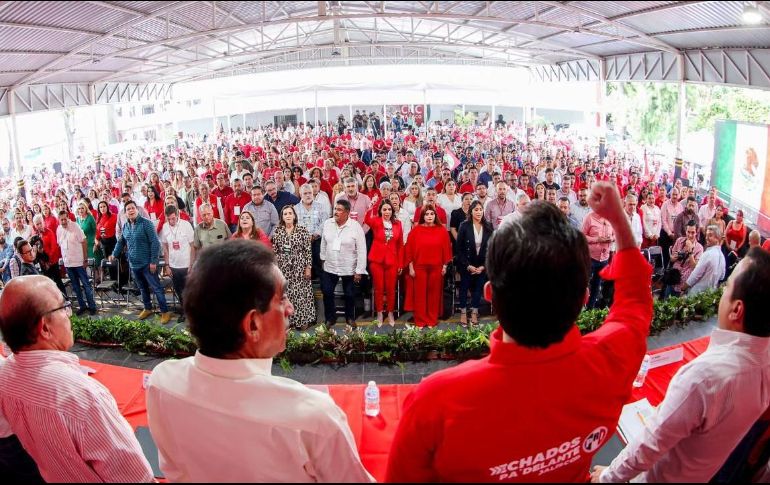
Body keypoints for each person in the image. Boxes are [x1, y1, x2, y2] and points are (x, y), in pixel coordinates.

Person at [386, 183, 652, 482]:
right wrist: (618, 219)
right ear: (584, 298)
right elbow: (636, 304)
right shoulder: (610, 361)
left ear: (490, 294)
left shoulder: (437, 402)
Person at [146, 240, 373, 482]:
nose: (290, 308)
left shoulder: (162, 382)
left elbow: (173, 469)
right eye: (282, 297)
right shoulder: (313, 418)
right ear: (253, 324)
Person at [592, 248, 770, 483]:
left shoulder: (705, 376)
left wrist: (606, 477)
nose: (723, 292)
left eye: (727, 287)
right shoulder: (764, 363)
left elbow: (649, 445)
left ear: (737, 310)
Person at [0, 275, 154, 482]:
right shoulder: (82, 396)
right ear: (44, 328)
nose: (68, 315)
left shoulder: (5, 375)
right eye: (63, 307)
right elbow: (136, 478)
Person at [111, 201, 172, 325]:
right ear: (125, 213)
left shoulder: (146, 223)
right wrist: (114, 254)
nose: (131, 210)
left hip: (148, 264)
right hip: (134, 264)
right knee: (143, 288)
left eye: (133, 208)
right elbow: (121, 242)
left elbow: (155, 243)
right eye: (128, 209)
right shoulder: (126, 226)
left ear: (137, 209)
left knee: (157, 288)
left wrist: (153, 261)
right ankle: (148, 308)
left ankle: (165, 311)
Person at [319, 199, 367, 327]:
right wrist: (323, 258)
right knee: (327, 292)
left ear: (347, 213)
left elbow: (362, 250)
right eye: (335, 209)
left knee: (350, 294)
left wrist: (359, 270)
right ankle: (330, 318)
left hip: (349, 267)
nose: (335, 212)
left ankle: (350, 318)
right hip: (330, 265)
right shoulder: (328, 223)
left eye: (339, 210)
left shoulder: (355, 227)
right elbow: (323, 242)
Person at [404, 205, 452, 328]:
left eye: (432, 214)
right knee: (420, 295)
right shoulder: (415, 230)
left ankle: (431, 320)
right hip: (419, 267)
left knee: (434, 295)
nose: (429, 216)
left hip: (436, 267)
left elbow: (447, 249)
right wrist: (411, 267)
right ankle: (420, 320)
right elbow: (409, 250)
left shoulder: (441, 230)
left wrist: (444, 266)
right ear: (422, 216)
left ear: (435, 216)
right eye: (427, 214)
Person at [271, 205, 316, 330]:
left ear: (294, 216)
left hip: (300, 267)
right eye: (285, 214)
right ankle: (289, 321)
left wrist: (308, 267)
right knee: (287, 295)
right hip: (283, 268)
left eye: (290, 213)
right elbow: (275, 251)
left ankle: (303, 320)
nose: (288, 216)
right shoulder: (278, 231)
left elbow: (307, 251)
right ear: (282, 217)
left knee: (301, 295)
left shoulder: (302, 230)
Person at [364, 199, 404, 327]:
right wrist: (372, 206)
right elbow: (366, 219)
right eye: (384, 209)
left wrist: (400, 264)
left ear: (393, 211)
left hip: (392, 261)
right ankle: (380, 313)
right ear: (381, 211)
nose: (387, 212)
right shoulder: (376, 221)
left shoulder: (398, 224)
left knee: (391, 289)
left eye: (389, 209)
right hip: (377, 260)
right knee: (379, 288)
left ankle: (390, 312)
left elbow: (400, 246)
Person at [455, 200, 493, 327]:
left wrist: (483, 266)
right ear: (471, 211)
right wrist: (467, 265)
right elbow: (459, 249)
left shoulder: (488, 226)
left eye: (480, 209)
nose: (479, 212)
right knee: (464, 287)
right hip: (467, 263)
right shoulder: (464, 225)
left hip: (481, 264)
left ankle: (474, 313)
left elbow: (491, 249)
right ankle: (463, 312)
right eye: (476, 210)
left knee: (478, 288)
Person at [56, 211, 97, 316]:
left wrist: (85, 259)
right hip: (68, 263)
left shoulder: (75, 226)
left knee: (86, 285)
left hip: (79, 262)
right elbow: (60, 245)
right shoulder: (59, 229)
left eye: (65, 219)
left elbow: (84, 241)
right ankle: (82, 306)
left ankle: (92, 306)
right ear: (59, 220)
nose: (63, 221)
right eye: (61, 220)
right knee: (75, 287)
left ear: (68, 218)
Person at [160, 205, 194, 324]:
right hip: (173, 265)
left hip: (186, 264)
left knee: (188, 290)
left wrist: (191, 264)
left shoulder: (186, 225)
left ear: (178, 215)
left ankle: (192, 312)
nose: (171, 221)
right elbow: (165, 247)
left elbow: (193, 246)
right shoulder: (165, 227)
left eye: (173, 218)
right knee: (178, 290)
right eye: (169, 219)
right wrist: (167, 265)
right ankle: (184, 311)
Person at [582, 208, 615, 309]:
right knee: (584, 285)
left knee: (597, 285)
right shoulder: (589, 217)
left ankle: (590, 309)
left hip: (604, 259)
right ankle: (580, 308)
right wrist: (597, 239)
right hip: (590, 258)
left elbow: (615, 234)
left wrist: (611, 238)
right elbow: (582, 236)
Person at [680, 225, 726, 295]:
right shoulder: (722, 257)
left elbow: (695, 275)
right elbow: (722, 276)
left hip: (696, 294)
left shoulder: (707, 254)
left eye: (710, 235)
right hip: (710, 294)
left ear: (717, 238)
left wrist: (683, 288)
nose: (706, 238)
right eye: (706, 235)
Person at [664, 220, 703, 299]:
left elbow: (695, 267)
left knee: (678, 305)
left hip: (684, 283)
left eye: (693, 232)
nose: (690, 235)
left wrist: (690, 252)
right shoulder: (679, 241)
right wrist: (674, 257)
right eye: (688, 232)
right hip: (673, 278)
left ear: (697, 232)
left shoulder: (699, 248)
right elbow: (671, 258)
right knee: (666, 300)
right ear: (685, 231)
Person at [294, 184, 326, 278]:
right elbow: (294, 225)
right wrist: (304, 236)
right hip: (301, 240)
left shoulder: (320, 206)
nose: (308, 195)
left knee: (318, 262)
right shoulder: (295, 208)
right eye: (305, 193)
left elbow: (324, 223)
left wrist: (314, 235)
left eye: (310, 193)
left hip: (317, 239)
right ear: (300, 195)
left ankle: (321, 283)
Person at [31, 214, 64, 293]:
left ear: (43, 222)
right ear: (35, 225)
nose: (39, 225)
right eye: (37, 224)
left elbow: (54, 247)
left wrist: (48, 261)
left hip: (52, 261)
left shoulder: (49, 232)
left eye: (40, 223)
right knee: (48, 284)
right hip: (42, 263)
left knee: (58, 282)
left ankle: (64, 298)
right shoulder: (35, 235)